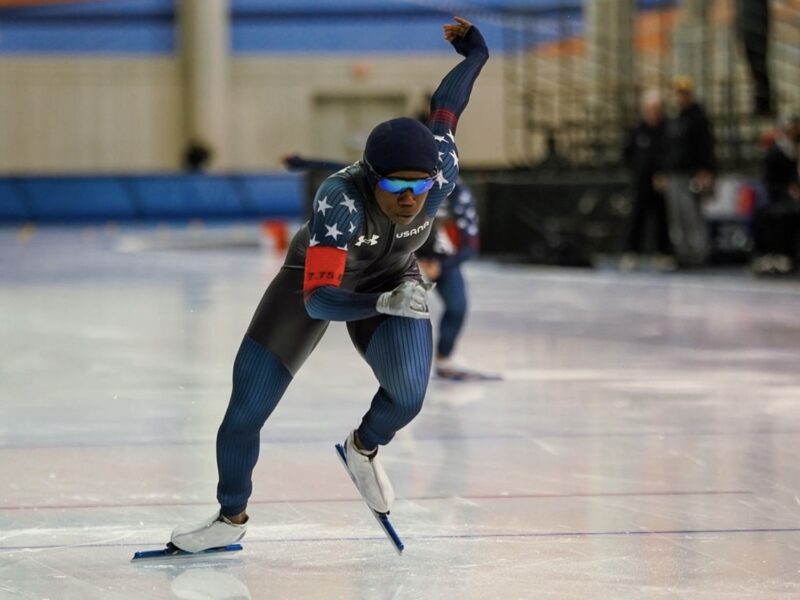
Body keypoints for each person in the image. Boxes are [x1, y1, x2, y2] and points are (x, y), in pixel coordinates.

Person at [169, 16, 489, 553]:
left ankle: (362, 447)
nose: (410, 197)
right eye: (395, 184)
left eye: (419, 185)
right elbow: (318, 301)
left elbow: (446, 111)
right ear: (371, 176)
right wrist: (383, 300)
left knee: (408, 397)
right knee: (244, 412)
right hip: (315, 286)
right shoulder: (339, 200)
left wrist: (474, 57)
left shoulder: (441, 167)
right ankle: (230, 516)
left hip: (391, 273)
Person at [280, 160, 483, 381]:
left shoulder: (459, 195)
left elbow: (470, 246)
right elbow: (349, 169)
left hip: (439, 256)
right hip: (399, 249)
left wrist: (442, 265)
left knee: (457, 306)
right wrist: (303, 162)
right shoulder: (392, 176)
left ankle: (443, 357)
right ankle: (398, 364)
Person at [663, 76, 716, 266]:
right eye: (678, 93)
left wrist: (706, 170)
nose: (680, 97)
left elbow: (706, 146)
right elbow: (668, 149)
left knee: (692, 215)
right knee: (677, 218)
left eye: (684, 93)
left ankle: (700, 254)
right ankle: (682, 254)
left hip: (691, 174)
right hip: (674, 175)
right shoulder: (674, 119)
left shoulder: (698, 117)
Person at [620, 90, 674, 271]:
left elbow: (671, 156)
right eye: (650, 109)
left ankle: (664, 253)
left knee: (661, 219)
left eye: (656, 109)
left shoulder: (667, 131)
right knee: (637, 218)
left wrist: (664, 173)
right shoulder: (637, 131)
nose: (653, 113)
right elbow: (627, 153)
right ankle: (632, 253)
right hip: (641, 182)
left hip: (660, 183)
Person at [751, 111, 800, 274]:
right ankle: (777, 255)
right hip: (779, 197)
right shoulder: (776, 152)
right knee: (775, 213)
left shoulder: (793, 149)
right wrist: (789, 190)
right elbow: (771, 182)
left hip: (789, 197)